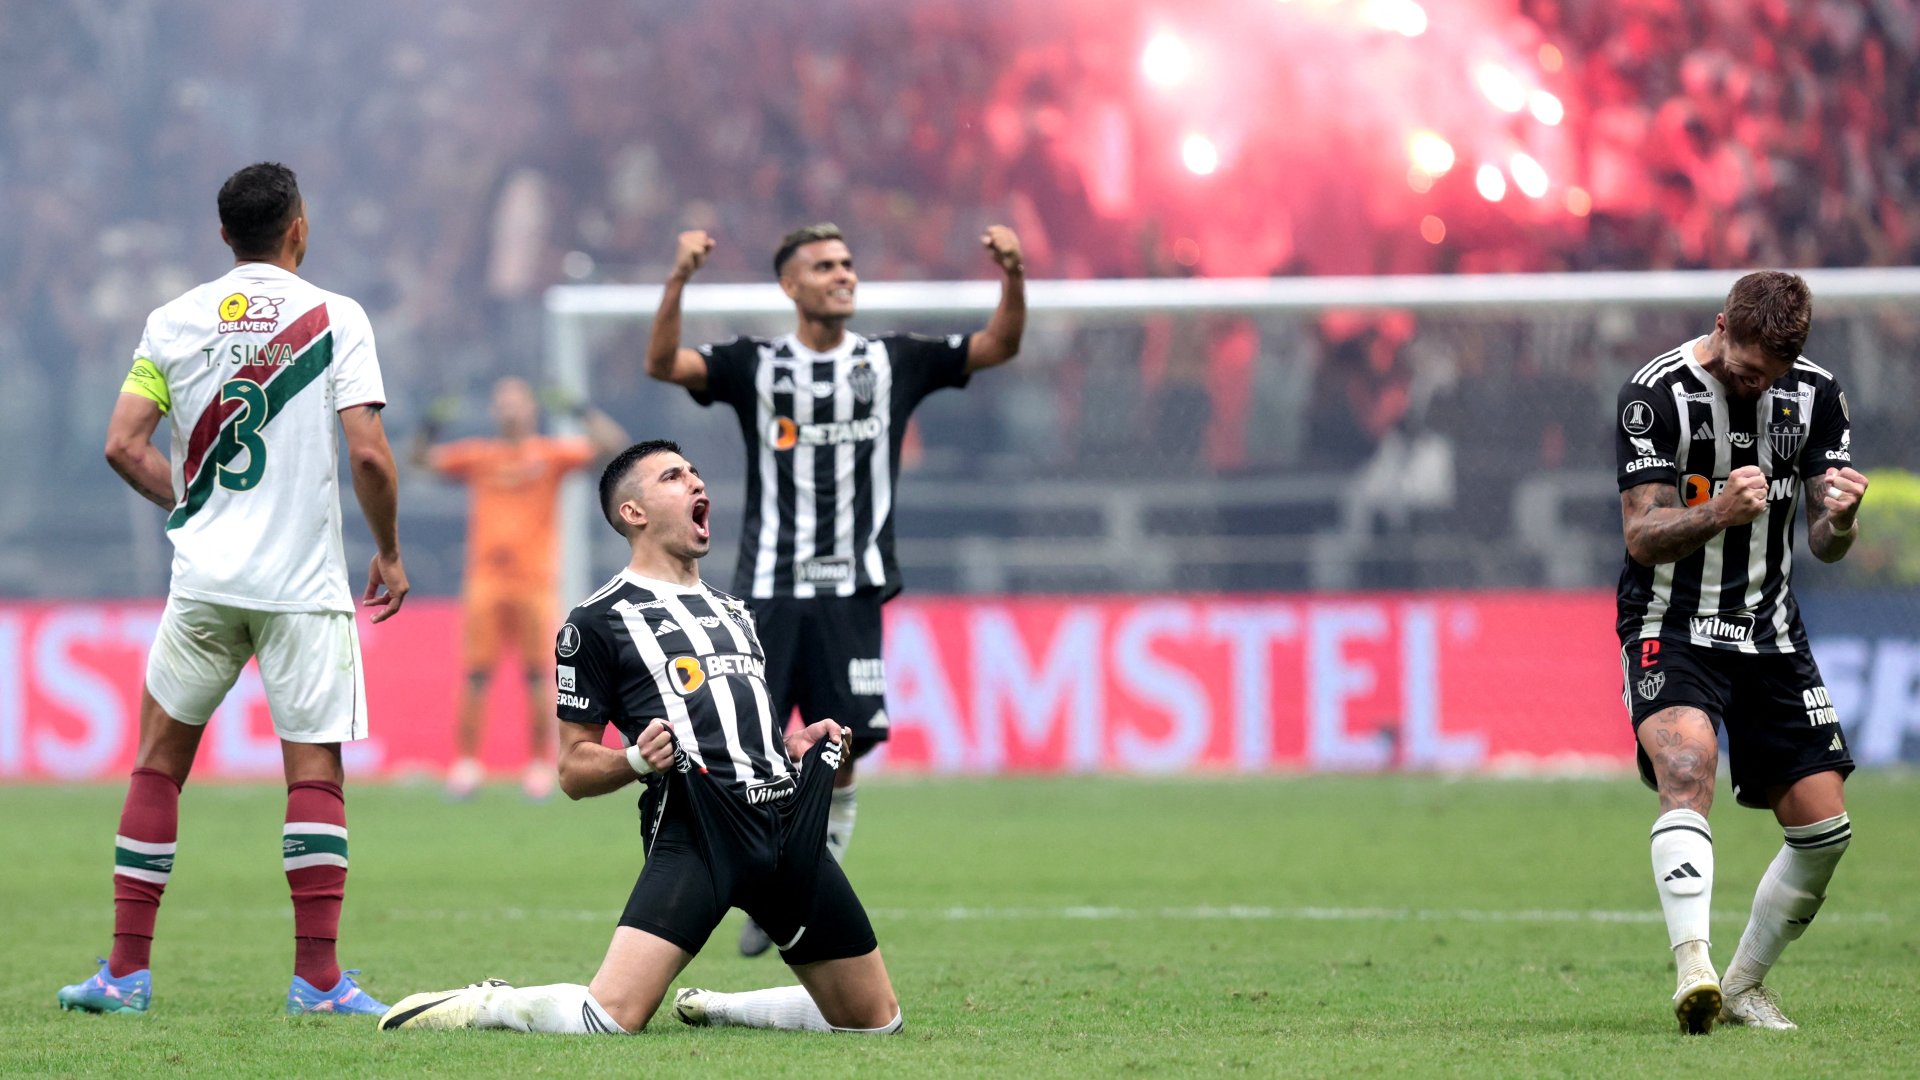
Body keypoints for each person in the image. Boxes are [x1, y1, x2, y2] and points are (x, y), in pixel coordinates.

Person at [378, 440, 901, 1036]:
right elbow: (572, 771)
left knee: (876, 1023)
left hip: (783, 827)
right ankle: (491, 1004)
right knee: (611, 1019)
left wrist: (793, 748)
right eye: (675, 476)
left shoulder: (737, 611)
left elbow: (738, 732)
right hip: (699, 830)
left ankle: (722, 1007)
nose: (697, 483)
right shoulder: (597, 621)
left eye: (697, 471)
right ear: (634, 513)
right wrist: (634, 759)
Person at [60, 162, 407, 1016]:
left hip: (206, 580)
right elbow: (366, 452)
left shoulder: (174, 319)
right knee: (313, 771)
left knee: (158, 764)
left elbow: (122, 443)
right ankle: (318, 981)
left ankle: (123, 974)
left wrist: (197, 508)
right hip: (300, 586)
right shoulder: (337, 315)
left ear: (224, 237)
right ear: (299, 227)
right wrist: (390, 553)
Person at [644, 222, 1025, 956]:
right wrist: (679, 279)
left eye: (848, 264)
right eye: (824, 266)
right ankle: (757, 869)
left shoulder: (894, 360)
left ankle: (817, 859)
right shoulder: (757, 366)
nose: (843, 275)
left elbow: (998, 346)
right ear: (791, 285)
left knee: (840, 739)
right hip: (767, 585)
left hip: (852, 587)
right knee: (745, 739)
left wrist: (1012, 276)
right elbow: (663, 363)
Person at [1614, 270, 1869, 1034]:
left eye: (1770, 376)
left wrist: (1842, 521)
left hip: (1769, 630)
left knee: (1825, 830)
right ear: (1723, 325)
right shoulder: (1654, 395)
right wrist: (1719, 510)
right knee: (1687, 769)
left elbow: (1824, 545)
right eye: (1745, 366)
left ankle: (1744, 986)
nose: (1754, 384)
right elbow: (1640, 535)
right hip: (1672, 620)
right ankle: (1693, 967)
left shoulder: (1817, 396)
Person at [412, 376, 628, 799]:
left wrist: (578, 410)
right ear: (495, 411)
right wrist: (432, 421)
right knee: (476, 674)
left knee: (537, 676)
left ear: (531, 409)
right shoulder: (478, 456)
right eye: (503, 403)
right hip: (486, 581)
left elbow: (615, 448)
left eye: (517, 403)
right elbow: (418, 459)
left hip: (534, 582)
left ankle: (536, 764)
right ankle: (467, 764)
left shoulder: (550, 455)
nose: (510, 410)